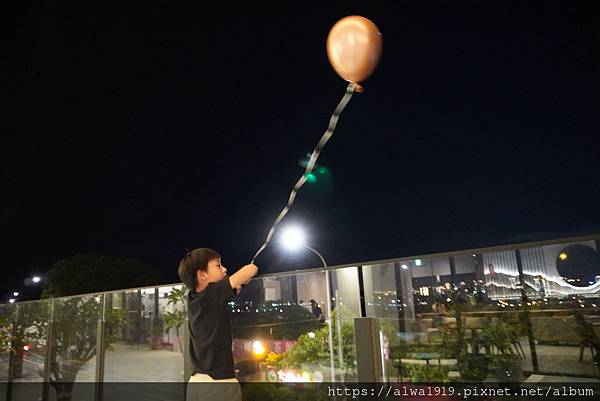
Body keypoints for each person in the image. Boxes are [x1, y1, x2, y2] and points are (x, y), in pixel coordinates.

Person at [178, 248, 258, 401]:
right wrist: (248, 272)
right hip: (218, 383)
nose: (224, 269)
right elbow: (251, 270)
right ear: (203, 275)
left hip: (196, 381)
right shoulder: (213, 293)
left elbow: (233, 288)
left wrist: (239, 283)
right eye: (218, 265)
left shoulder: (194, 297)